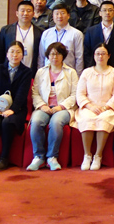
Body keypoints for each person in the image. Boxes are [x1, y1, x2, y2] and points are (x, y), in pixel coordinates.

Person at [27, 42, 78, 171]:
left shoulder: (71, 72)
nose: (55, 57)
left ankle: (52, 157)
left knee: (56, 122)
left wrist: (61, 106)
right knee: (36, 121)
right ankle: (38, 157)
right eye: (52, 54)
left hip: (63, 108)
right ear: (48, 56)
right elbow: (35, 92)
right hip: (44, 106)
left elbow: (74, 94)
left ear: (63, 56)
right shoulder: (41, 72)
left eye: (58, 54)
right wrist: (42, 105)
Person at [0, 41, 33, 171]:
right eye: (12, 52)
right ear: (7, 54)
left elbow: (22, 94)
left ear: (22, 55)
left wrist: (12, 109)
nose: (15, 55)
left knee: (7, 122)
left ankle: (4, 158)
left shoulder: (26, 72)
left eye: (18, 52)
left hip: (17, 109)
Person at [74, 44, 114, 171]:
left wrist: (107, 107)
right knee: (87, 119)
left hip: (108, 108)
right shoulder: (87, 72)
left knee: (103, 119)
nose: (100, 56)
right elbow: (80, 93)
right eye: (98, 53)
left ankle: (98, 155)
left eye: (103, 53)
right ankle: (87, 155)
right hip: (89, 106)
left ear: (109, 56)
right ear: (94, 56)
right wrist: (90, 106)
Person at [0, 0, 44, 74]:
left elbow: (41, 55)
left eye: (29, 11)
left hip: (31, 73)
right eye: (22, 11)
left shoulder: (40, 32)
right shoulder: (6, 30)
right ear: (17, 13)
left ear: (33, 14)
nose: (25, 13)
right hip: (8, 73)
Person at [38, 4, 84, 74]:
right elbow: (41, 57)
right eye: (56, 14)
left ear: (68, 16)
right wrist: (41, 74)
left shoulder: (76, 34)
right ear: (53, 16)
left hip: (68, 74)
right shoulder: (46, 33)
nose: (59, 16)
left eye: (62, 13)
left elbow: (79, 58)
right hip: (48, 74)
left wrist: (78, 76)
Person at [83, 1, 114, 71]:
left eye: (110, 10)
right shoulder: (91, 31)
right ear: (100, 13)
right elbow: (87, 53)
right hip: (94, 70)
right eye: (104, 10)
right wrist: (93, 69)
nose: (107, 13)